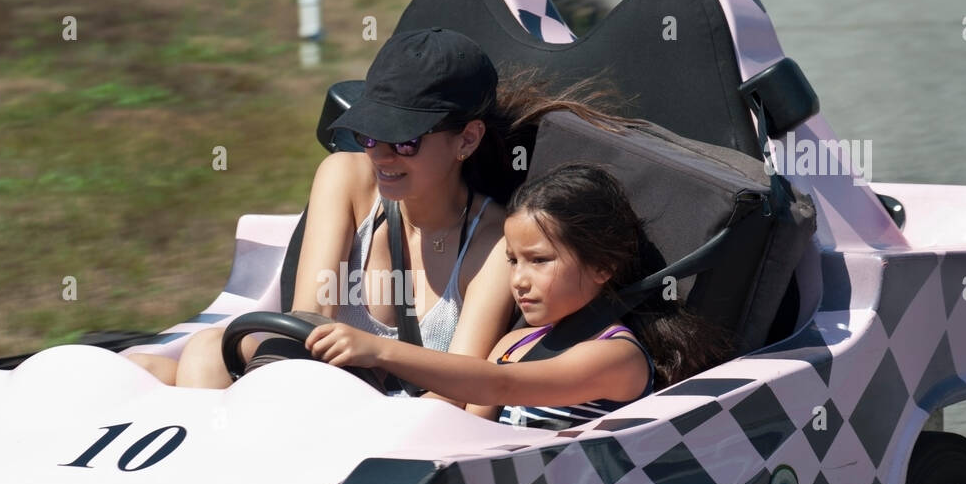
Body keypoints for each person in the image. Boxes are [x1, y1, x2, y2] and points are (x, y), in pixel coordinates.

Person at [127, 26, 632, 394]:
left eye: (405, 142)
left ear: (467, 140)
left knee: (196, 359)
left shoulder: (497, 242)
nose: (381, 155)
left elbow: (456, 391)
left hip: (391, 444)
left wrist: (373, 363)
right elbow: (309, 318)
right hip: (307, 393)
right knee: (169, 360)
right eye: (371, 135)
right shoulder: (346, 178)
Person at [304, 163, 735, 427]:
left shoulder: (616, 356)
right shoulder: (515, 342)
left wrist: (379, 351)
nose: (519, 281)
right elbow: (464, 427)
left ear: (603, 267)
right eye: (512, 260)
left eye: (540, 261)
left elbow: (499, 385)